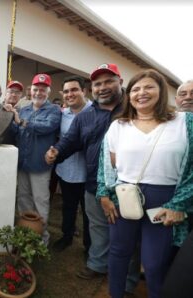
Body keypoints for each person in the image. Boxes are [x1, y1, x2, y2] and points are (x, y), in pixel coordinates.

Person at [96, 69, 192, 298]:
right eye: (135, 89)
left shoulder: (184, 122)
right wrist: (103, 195)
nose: (141, 93)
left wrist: (178, 204)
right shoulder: (119, 126)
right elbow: (105, 165)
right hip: (124, 197)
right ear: (129, 95)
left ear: (162, 90)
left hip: (165, 201)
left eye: (149, 87)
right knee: (119, 253)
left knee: (154, 262)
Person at [45, 63, 140, 294]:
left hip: (128, 186)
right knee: (97, 228)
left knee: (128, 235)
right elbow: (70, 140)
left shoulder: (134, 110)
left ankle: (127, 281)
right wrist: (56, 151)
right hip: (94, 183)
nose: (103, 87)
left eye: (109, 81)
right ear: (92, 88)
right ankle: (97, 264)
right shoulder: (85, 116)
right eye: (98, 83)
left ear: (120, 82)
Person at [9, 73, 61, 245]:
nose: (38, 93)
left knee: (40, 200)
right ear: (30, 90)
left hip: (40, 165)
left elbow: (47, 127)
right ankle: (25, 233)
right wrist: (7, 117)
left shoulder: (53, 110)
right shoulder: (24, 109)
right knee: (23, 198)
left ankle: (41, 238)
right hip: (23, 164)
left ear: (48, 91)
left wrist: (21, 122)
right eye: (35, 89)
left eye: (42, 90)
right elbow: (16, 132)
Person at [52, 75, 91, 252]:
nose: (70, 94)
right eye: (66, 91)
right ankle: (66, 236)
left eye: (74, 90)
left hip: (88, 174)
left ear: (84, 91)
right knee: (68, 208)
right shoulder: (62, 114)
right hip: (65, 171)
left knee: (89, 214)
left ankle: (89, 246)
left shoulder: (95, 112)